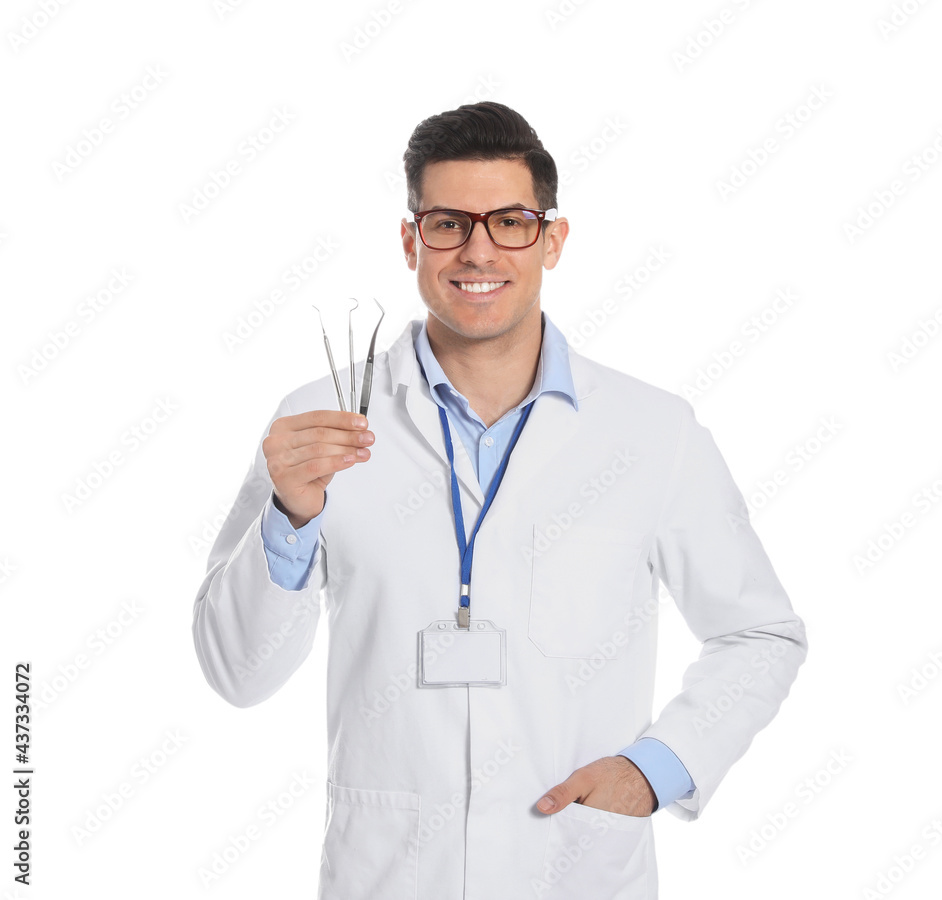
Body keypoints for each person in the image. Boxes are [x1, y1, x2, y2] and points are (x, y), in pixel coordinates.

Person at [192, 100, 807, 900]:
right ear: (411, 239)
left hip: (575, 868)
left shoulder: (652, 432)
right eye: (448, 222)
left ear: (552, 239)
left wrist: (655, 772)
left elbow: (760, 633)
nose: (478, 249)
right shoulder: (321, 424)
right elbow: (239, 674)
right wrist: (291, 516)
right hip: (388, 874)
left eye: (511, 221)